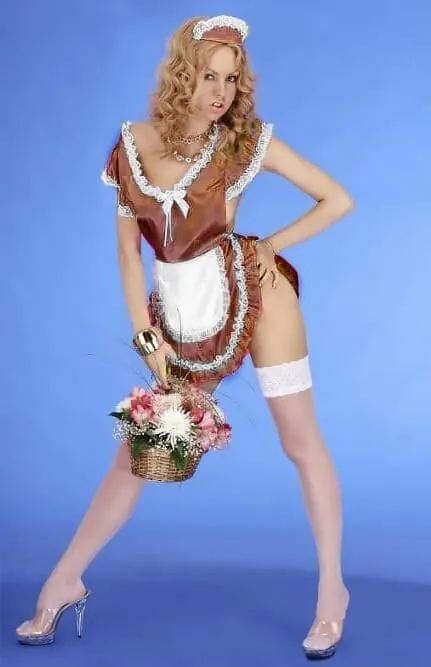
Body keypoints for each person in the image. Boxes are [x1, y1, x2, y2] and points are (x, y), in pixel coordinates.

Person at [16, 14, 354, 660]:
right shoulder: (131, 146)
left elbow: (336, 199)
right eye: (208, 77)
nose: (221, 91)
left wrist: (269, 246)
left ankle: (331, 591)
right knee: (137, 452)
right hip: (178, 313)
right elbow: (127, 254)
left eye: (230, 79)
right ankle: (63, 580)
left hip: (256, 298)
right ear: (181, 76)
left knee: (299, 442)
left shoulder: (244, 144)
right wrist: (147, 339)